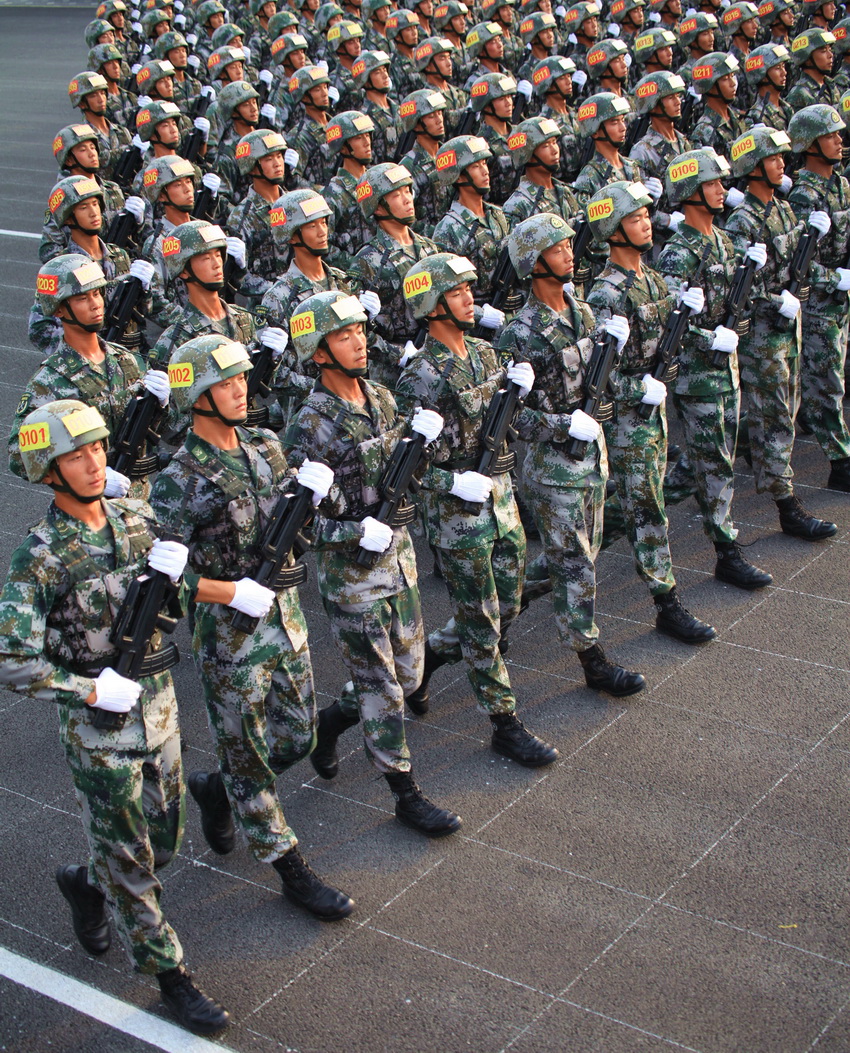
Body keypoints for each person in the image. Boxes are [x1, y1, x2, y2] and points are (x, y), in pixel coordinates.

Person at [0, 399, 229, 1035]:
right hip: (99, 731)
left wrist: (182, 577)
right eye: (75, 455)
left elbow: (170, 600)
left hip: (158, 705)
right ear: (48, 470)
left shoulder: (134, 516)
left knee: (164, 839)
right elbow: (12, 659)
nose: (94, 462)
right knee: (133, 858)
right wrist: (87, 692)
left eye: (98, 448)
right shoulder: (39, 557)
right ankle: (170, 974)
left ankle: (87, 882)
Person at [150, 335, 355, 919]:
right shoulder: (177, 478)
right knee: (248, 757)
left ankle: (221, 789)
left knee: (297, 737)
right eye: (225, 382)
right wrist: (228, 590)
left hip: (285, 620)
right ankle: (288, 864)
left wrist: (318, 494)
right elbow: (162, 578)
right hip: (230, 637)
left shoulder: (265, 444)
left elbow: (305, 521)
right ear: (197, 395)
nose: (241, 388)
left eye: (242, 378)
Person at [282, 291, 465, 834]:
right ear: (318, 352)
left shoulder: (381, 399)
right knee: (384, 689)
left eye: (360, 330)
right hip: (353, 576)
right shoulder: (307, 428)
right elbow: (299, 525)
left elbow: (405, 472)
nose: (360, 341)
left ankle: (331, 724)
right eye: (343, 335)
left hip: (400, 561)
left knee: (408, 677)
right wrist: (353, 530)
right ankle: (405, 793)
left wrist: (429, 450)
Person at [395, 253, 560, 763]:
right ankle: (504, 722)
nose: (471, 296)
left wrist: (556, 421)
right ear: (433, 304)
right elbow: (403, 468)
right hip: (457, 520)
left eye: (470, 287)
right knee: (483, 620)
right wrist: (450, 482)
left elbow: (513, 422)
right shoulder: (418, 379)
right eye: (458, 290)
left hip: (502, 504)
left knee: (507, 605)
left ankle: (422, 668)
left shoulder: (487, 357)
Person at [496, 214, 647, 694]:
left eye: (568, 245)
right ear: (534, 263)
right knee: (577, 567)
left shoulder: (581, 312)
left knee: (580, 557)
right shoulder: (517, 334)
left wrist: (626, 367)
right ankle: (593, 661)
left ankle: (483, 617)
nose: (570, 254)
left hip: (592, 461)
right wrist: (562, 425)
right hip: (553, 472)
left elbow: (598, 382)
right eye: (558, 249)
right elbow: (509, 420)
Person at [584, 181, 717, 641]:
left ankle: (538, 578)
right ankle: (667, 603)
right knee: (649, 512)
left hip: (652, 415)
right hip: (626, 424)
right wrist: (636, 389)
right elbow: (595, 379)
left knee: (627, 510)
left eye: (646, 215)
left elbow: (665, 340)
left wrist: (692, 327)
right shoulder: (604, 295)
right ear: (613, 230)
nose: (646, 223)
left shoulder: (652, 277)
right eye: (636, 218)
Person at [656, 148, 773, 589]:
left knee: (700, 464)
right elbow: (669, 326)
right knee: (716, 465)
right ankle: (726, 551)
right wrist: (709, 338)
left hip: (726, 372)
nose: (722, 190)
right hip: (697, 376)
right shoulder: (678, 253)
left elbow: (734, 305)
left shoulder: (721, 240)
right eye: (712, 184)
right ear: (690, 193)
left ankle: (634, 511)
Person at [723, 124, 838, 539]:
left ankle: (753, 463)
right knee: (775, 421)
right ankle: (788, 508)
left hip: (789, 331)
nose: (782, 164)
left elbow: (794, 267)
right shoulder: (743, 221)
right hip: (763, 337)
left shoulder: (783, 209)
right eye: (773, 159)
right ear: (754, 168)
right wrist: (775, 301)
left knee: (782, 415)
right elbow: (735, 292)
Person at [11, 256, 167, 500]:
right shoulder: (49, 382)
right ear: (59, 308)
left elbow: (170, 432)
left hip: (139, 505)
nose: (96, 304)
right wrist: (91, 476)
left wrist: (165, 406)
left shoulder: (127, 361)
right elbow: (19, 455)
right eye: (83, 298)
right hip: (89, 509)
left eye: (97, 294)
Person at [786, 105, 850, 493]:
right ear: (811, 144)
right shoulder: (804, 195)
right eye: (831, 135)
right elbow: (796, 265)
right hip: (817, 302)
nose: (839, 140)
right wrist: (834, 278)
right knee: (826, 382)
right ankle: (840, 461)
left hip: (841, 297)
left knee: (821, 380)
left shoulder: (841, 184)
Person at [148, 220, 252, 370]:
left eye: (218, 255)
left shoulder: (243, 318)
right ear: (183, 270)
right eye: (206, 258)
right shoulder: (174, 340)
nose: (217, 264)